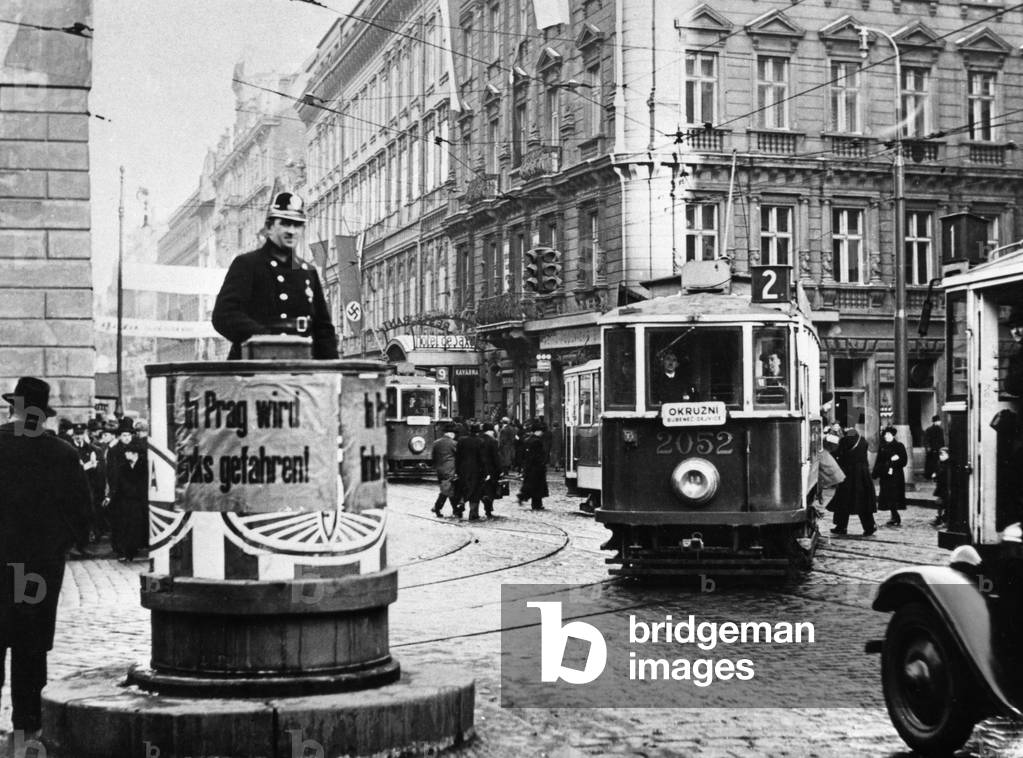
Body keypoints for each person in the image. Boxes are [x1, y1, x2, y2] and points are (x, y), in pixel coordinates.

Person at [0, 377, 90, 740]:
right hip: (37, 569)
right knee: (31, 644)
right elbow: (82, 515)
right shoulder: (63, 453)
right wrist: (61, 546)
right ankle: (27, 723)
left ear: (14, 409)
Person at [212, 191, 339, 360]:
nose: (291, 231)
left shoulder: (307, 272)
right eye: (285, 224)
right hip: (255, 365)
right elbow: (224, 315)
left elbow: (323, 329)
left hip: (302, 367)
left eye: (297, 225)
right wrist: (266, 340)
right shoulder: (248, 264)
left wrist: (333, 372)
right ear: (270, 227)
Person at [827, 425, 877, 536]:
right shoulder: (863, 440)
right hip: (863, 475)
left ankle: (841, 527)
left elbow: (838, 454)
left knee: (843, 501)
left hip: (849, 474)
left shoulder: (844, 440)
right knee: (863, 502)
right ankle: (869, 526)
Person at [108, 439, 149, 563]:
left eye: (128, 453)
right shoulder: (123, 467)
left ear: (134, 453)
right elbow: (118, 484)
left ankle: (133, 549)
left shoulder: (144, 465)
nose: (125, 455)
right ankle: (125, 551)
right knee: (124, 527)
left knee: (136, 527)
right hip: (124, 501)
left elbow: (144, 484)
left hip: (139, 502)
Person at [873, 425, 908, 527]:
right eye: (885, 435)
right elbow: (879, 460)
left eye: (889, 435)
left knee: (894, 496)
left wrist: (895, 461)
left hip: (896, 476)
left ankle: (896, 516)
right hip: (885, 475)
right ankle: (894, 516)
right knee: (888, 496)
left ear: (893, 435)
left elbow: (904, 461)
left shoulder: (899, 446)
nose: (887, 436)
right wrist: (876, 473)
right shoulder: (883, 447)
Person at [456, 423, 485, 521]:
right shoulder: (480, 441)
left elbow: (458, 456)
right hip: (476, 470)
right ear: (478, 432)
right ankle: (473, 513)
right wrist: (485, 472)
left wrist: (457, 469)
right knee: (476, 491)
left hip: (463, 469)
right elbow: (482, 458)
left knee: (464, 488)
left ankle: (461, 502)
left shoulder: (461, 440)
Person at [518, 420, 549, 511]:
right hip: (537, 468)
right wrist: (542, 463)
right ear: (538, 431)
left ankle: (524, 497)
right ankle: (536, 504)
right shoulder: (537, 442)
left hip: (529, 467)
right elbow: (538, 456)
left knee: (531, 485)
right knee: (537, 487)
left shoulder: (527, 440)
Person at [430, 424, 460, 518]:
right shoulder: (454, 443)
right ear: (452, 434)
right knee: (447, 490)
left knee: (449, 490)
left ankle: (456, 510)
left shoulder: (436, 443)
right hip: (450, 469)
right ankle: (437, 507)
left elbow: (433, 457)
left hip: (439, 470)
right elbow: (459, 456)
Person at [479, 422, 502, 519]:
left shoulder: (478, 440)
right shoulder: (493, 441)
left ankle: (485, 502)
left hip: (479, 468)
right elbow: (496, 457)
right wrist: (500, 469)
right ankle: (488, 509)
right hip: (491, 469)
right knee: (491, 490)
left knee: (480, 489)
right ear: (491, 431)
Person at [932, 447, 952, 526]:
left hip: (946, 487)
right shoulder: (940, 463)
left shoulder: (948, 464)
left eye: (942, 454)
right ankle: (940, 518)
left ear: (948, 455)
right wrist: (935, 475)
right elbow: (938, 472)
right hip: (941, 487)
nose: (941, 456)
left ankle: (943, 519)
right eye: (940, 454)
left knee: (945, 504)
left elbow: (945, 475)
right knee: (940, 503)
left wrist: (937, 475)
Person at [923, 414, 944, 480]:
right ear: (935, 421)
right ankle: (933, 476)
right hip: (935, 449)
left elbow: (926, 440)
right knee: (935, 463)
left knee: (932, 463)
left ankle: (930, 476)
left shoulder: (930, 429)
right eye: (938, 421)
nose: (939, 422)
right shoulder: (938, 430)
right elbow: (941, 440)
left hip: (933, 449)